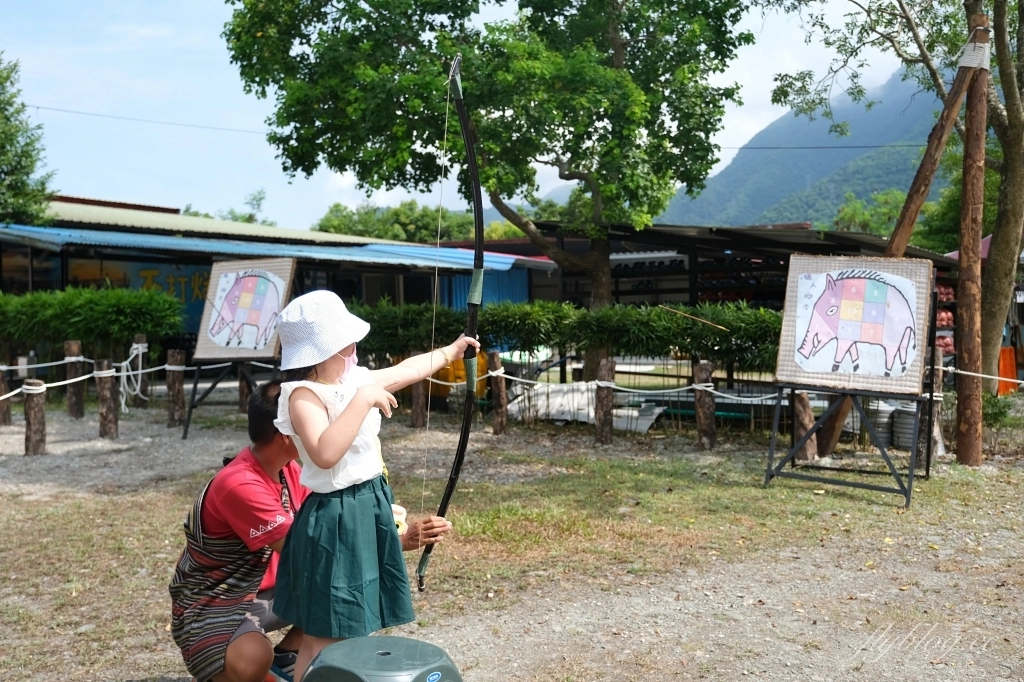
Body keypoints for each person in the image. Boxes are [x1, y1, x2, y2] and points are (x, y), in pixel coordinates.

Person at [169, 379, 452, 682]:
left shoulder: (290, 470)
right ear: (286, 432)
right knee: (253, 659)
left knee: (343, 596)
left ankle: (289, 655)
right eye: (312, 420)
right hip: (215, 602)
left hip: (270, 592)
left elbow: (331, 535)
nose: (325, 430)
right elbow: (309, 550)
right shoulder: (239, 484)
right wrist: (402, 542)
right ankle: (237, 668)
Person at [270, 290, 478, 682]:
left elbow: (406, 371)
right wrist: (363, 399)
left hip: (367, 508)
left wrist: (450, 352)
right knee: (327, 636)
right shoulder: (303, 396)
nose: (354, 349)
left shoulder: (352, 380)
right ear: (328, 349)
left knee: (345, 628)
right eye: (347, 343)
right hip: (336, 517)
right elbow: (324, 452)